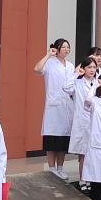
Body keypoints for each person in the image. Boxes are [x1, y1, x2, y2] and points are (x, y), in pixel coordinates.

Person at [33, 39, 74, 180]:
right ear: (56, 48)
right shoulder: (49, 63)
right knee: (51, 139)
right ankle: (51, 169)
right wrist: (48, 55)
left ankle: (60, 168)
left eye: (68, 47)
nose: (66, 49)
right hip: (53, 107)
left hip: (67, 106)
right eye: (63, 47)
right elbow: (37, 69)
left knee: (63, 140)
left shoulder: (70, 66)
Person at [63, 57, 99, 191]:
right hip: (82, 122)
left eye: (94, 67)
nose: (92, 70)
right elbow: (66, 87)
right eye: (89, 67)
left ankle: (92, 179)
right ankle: (83, 179)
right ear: (83, 69)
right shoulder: (78, 83)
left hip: (96, 122)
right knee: (83, 153)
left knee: (94, 153)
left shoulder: (98, 83)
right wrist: (75, 74)